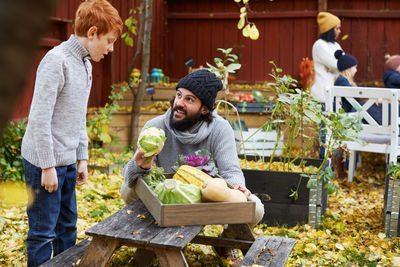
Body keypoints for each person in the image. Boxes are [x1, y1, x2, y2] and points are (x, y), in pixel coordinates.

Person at [120, 69, 264, 264]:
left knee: (255, 209)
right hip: (167, 198)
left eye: (189, 99)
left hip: (206, 197)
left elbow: (230, 171)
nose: (179, 103)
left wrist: (236, 187)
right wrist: (139, 165)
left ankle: (226, 242)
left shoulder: (220, 129)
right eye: (179, 95)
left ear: (205, 109)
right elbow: (128, 176)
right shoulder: (155, 127)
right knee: (128, 188)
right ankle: (154, 236)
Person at [21, 1, 122, 266]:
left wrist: (83, 157)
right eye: (109, 41)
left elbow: (78, 116)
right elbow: (39, 119)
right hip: (44, 163)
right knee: (44, 232)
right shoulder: (56, 61)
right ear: (91, 33)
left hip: (66, 162)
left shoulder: (86, 64)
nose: (111, 48)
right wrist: (47, 166)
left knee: (67, 227)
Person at [311, 12, 342, 102]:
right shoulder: (319, 45)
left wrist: (334, 68)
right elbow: (337, 65)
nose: (339, 31)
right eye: (337, 28)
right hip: (322, 94)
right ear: (329, 30)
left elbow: (344, 64)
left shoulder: (336, 45)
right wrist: (336, 67)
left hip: (334, 92)